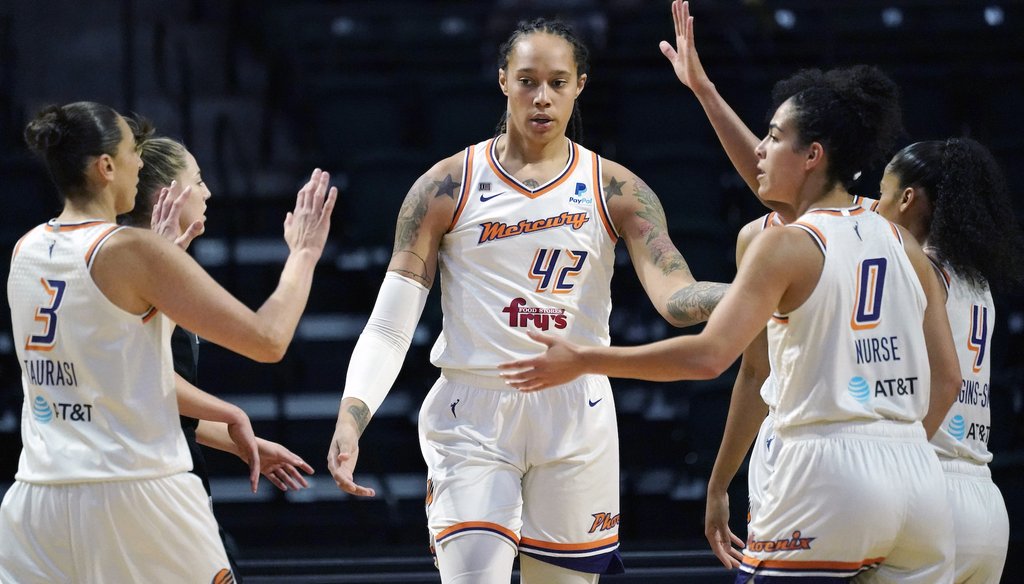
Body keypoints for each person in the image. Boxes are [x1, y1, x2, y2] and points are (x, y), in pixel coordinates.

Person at [500, 63, 963, 582]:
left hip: (827, 470)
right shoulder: (902, 242)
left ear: (813, 155)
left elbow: (708, 356)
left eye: (772, 136)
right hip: (918, 480)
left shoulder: (784, 244)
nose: (760, 150)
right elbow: (948, 376)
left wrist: (586, 359)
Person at [327, 17, 727, 584]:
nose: (542, 97)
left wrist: (744, 293)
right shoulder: (445, 186)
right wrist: (352, 415)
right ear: (502, 81)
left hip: (576, 409)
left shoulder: (616, 189)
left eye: (558, 82)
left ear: (580, 86)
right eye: (527, 80)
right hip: (474, 409)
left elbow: (676, 296)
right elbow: (391, 325)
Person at [662, 3, 1023, 580]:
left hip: (835, 460)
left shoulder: (861, 235)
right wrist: (705, 92)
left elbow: (782, 196)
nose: (875, 202)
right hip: (951, 485)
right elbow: (775, 185)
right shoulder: (946, 265)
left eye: (885, 191)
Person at [1, 101, 336, 583]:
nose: (141, 161)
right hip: (135, 490)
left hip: (36, 500)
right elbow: (268, 340)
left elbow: (113, 370)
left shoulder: (26, 248)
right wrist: (303, 254)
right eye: (133, 151)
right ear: (106, 166)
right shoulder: (132, 249)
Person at [877, 138, 1023, 583]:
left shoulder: (916, 270)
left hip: (933, 489)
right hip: (985, 499)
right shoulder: (977, 284)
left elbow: (947, 382)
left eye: (880, 191)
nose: (873, 206)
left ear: (906, 198)